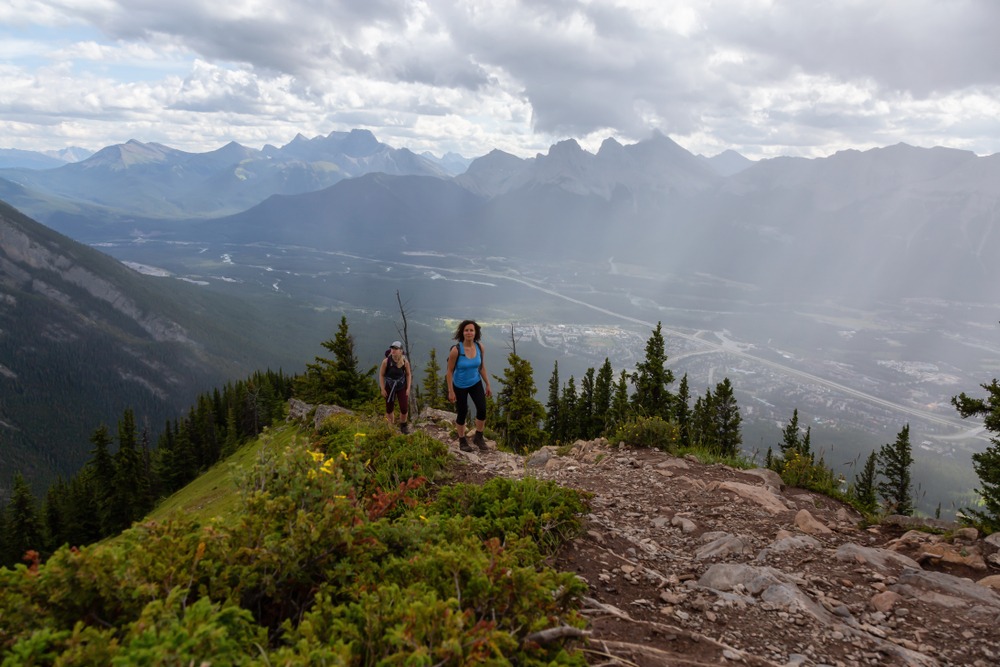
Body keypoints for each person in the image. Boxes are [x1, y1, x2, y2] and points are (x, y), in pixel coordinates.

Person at [446, 320, 492, 451]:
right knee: (462, 412)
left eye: (471, 330)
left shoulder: (479, 347)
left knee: (482, 409)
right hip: (460, 385)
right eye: (466, 330)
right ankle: (462, 440)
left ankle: (479, 437)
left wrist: (487, 384)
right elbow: (449, 372)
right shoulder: (456, 350)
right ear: (462, 332)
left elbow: (481, 367)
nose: (469, 332)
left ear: (475, 332)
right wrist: (451, 391)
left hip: (475, 382)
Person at [379, 341, 412, 433]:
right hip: (389, 386)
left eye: (396, 349)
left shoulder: (405, 362)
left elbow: (408, 375)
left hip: (401, 386)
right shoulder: (386, 362)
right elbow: (381, 375)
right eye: (392, 348)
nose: (393, 350)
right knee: (389, 409)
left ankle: (403, 425)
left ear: (401, 351)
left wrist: (408, 388)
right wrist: (382, 388)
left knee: (404, 408)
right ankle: (391, 426)